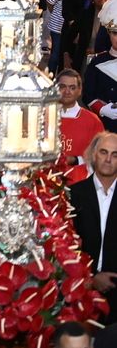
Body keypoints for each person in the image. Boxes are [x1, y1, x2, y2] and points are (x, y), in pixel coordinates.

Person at [70, 132, 117, 323]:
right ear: (93, 155)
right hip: (79, 292)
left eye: (115, 155)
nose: (108, 159)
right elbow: (67, 244)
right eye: (103, 152)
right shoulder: (73, 194)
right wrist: (92, 277)